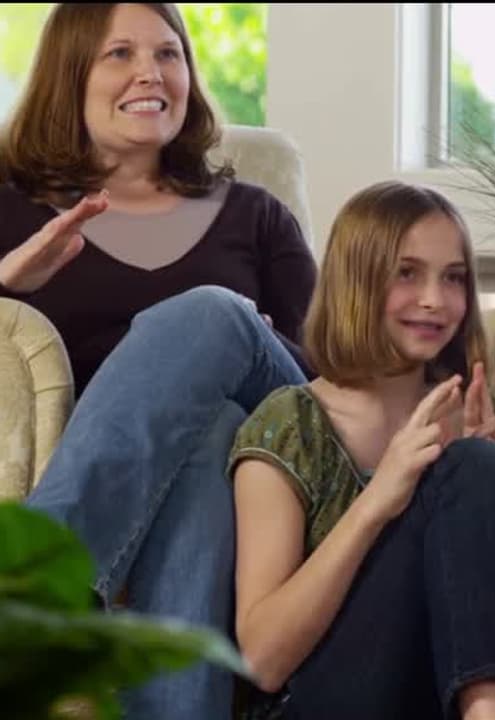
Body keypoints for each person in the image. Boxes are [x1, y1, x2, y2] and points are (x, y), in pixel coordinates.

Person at [1, 4, 315, 717]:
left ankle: (33, 587)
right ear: (70, 74)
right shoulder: (13, 211)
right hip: (210, 457)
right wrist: (6, 284)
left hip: (279, 428)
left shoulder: (256, 214)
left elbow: (328, 376)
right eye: (120, 54)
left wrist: (238, 335)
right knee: (209, 437)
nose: (151, 72)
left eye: (168, 54)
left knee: (212, 315)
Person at [228, 181, 495, 720]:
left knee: (476, 463)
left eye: (454, 278)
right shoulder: (290, 425)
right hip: (321, 704)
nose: (435, 299)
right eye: (407, 273)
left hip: (446, 707)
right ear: (357, 281)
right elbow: (263, 662)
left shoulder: (489, 425)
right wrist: (378, 499)